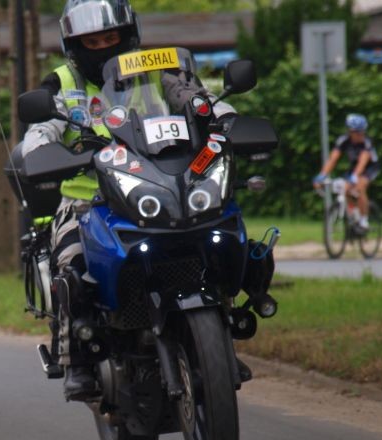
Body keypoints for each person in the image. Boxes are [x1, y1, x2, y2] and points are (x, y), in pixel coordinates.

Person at [22, 0, 238, 400]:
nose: (103, 47)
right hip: (88, 201)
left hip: (162, 184)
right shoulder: (62, 83)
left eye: (111, 37)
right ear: (75, 45)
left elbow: (195, 97)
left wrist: (223, 117)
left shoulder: (157, 68)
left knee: (221, 231)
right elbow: (41, 127)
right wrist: (41, 149)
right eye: (92, 41)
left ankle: (223, 324)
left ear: (128, 35)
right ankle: (76, 358)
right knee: (72, 263)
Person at [313, 114, 380, 232]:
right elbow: (333, 159)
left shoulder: (367, 142)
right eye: (356, 132)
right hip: (354, 166)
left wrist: (355, 176)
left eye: (361, 132)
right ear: (350, 131)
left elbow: (363, 162)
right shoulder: (344, 141)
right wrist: (322, 175)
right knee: (346, 189)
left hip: (370, 167)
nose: (360, 135)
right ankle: (353, 214)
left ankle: (364, 220)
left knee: (360, 186)